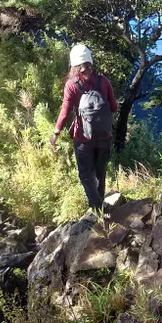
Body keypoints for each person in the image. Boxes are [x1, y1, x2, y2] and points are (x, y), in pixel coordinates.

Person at [50, 44, 118, 211]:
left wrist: (56, 133)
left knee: (86, 174)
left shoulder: (71, 85)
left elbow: (65, 112)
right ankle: (99, 206)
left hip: (82, 138)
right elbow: (114, 107)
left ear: (73, 64)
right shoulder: (104, 81)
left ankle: (98, 207)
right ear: (90, 61)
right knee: (100, 172)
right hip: (104, 136)